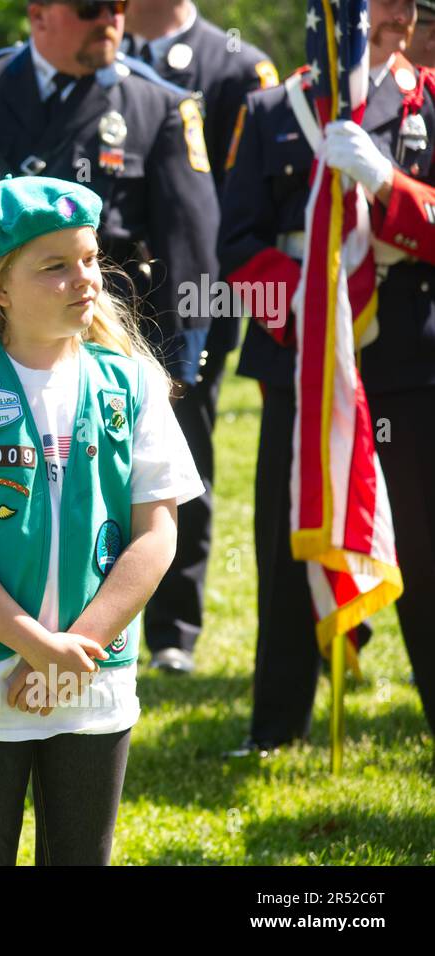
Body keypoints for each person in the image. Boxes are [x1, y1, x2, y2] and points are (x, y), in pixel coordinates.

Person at [0, 176, 203, 864]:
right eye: (55, 266)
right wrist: (34, 645)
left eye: (90, 259)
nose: (84, 279)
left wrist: (75, 649)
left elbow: (158, 533)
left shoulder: (133, 384)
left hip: (94, 673)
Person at [219, 0, 435, 757]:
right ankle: (278, 727)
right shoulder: (271, 108)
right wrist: (311, 311)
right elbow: (238, 244)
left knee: (424, 536)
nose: (401, 15)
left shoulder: (429, 101)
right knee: (287, 540)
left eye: (411, 5)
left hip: (407, 355)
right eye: (383, 3)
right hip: (303, 360)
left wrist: (386, 184)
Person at [0, 0, 220, 389]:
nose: (110, 20)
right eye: (91, 8)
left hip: (105, 353)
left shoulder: (158, 106)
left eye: (118, 6)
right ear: (38, 14)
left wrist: (177, 362)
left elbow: (188, 244)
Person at [123, 0, 280, 674]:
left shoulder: (238, 65)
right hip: (99, 291)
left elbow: (250, 198)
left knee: (181, 458)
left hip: (193, 296)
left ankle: (172, 632)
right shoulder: (95, 58)